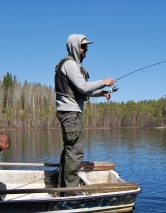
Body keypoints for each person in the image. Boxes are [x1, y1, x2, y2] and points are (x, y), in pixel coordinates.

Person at [54, 34, 115, 195]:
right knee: (75, 152)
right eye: (83, 47)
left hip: (72, 112)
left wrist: (101, 93)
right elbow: (82, 87)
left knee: (70, 150)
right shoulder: (70, 65)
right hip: (70, 112)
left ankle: (63, 189)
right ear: (75, 47)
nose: (86, 50)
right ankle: (71, 194)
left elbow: (82, 91)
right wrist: (103, 81)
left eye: (86, 47)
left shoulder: (72, 65)